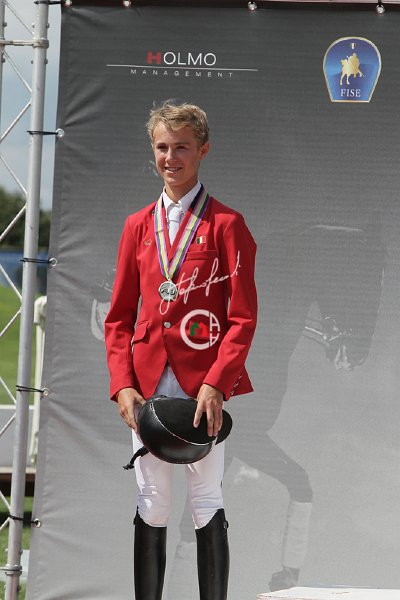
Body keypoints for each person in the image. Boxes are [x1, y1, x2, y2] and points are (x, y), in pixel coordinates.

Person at [104, 100, 258, 600]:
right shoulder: (137, 225)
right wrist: (123, 385)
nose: (171, 158)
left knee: (206, 498)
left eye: (182, 148)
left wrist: (218, 382)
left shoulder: (227, 224)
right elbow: (118, 317)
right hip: (147, 386)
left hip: (202, 386)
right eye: (162, 147)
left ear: (203, 150)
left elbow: (243, 317)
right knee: (151, 499)